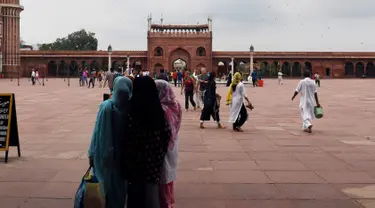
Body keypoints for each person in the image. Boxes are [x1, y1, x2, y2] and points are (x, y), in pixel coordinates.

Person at [126, 76, 171, 208]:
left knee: (135, 193)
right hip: (154, 160)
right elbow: (167, 134)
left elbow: (127, 137)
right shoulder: (158, 111)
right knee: (151, 192)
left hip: (135, 162)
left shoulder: (132, 111)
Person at [88, 76, 133, 208]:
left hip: (103, 154)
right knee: (119, 187)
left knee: (103, 186)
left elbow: (97, 132)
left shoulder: (106, 106)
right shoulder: (131, 108)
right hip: (122, 156)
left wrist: (91, 152)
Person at [155, 80, 182, 208]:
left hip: (162, 146)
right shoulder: (176, 105)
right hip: (173, 143)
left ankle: (164, 203)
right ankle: (168, 201)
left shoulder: (159, 109)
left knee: (162, 175)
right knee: (168, 175)